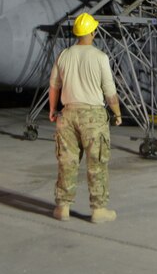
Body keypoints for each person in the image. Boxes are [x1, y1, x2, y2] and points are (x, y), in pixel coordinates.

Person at [48, 12, 123, 222]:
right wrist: (117, 113)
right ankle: (98, 210)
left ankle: (62, 208)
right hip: (93, 116)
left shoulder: (64, 55)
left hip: (68, 114)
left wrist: (53, 109)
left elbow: (53, 86)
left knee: (67, 162)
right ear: (92, 31)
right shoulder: (100, 57)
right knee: (96, 163)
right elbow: (110, 91)